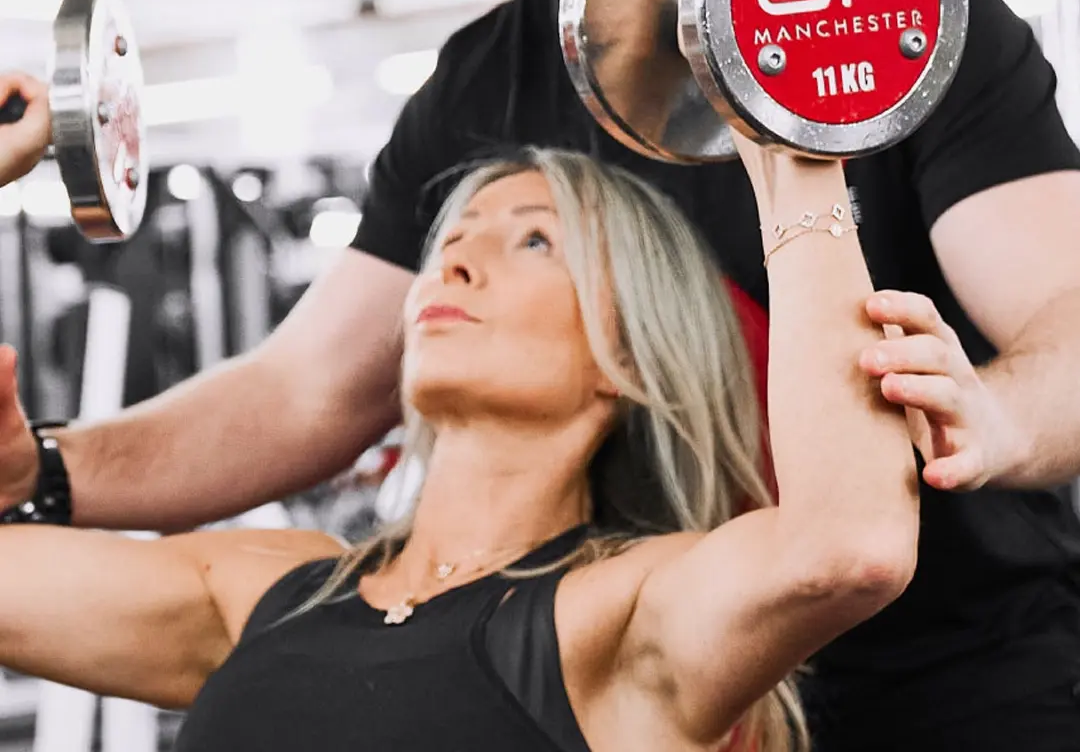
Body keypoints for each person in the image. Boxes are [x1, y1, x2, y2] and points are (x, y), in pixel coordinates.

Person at [0, 0, 1079, 748]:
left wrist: (994, 416)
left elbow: (1066, 319)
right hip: (594, 684)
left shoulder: (851, 9)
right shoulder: (477, 91)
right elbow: (309, 390)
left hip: (945, 685)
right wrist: (48, 472)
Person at [0, 144, 924, 752]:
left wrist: (796, 152)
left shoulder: (622, 617)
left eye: (533, 241)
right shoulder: (268, 591)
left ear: (631, 356)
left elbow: (850, 544)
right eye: (451, 240)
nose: (455, 261)